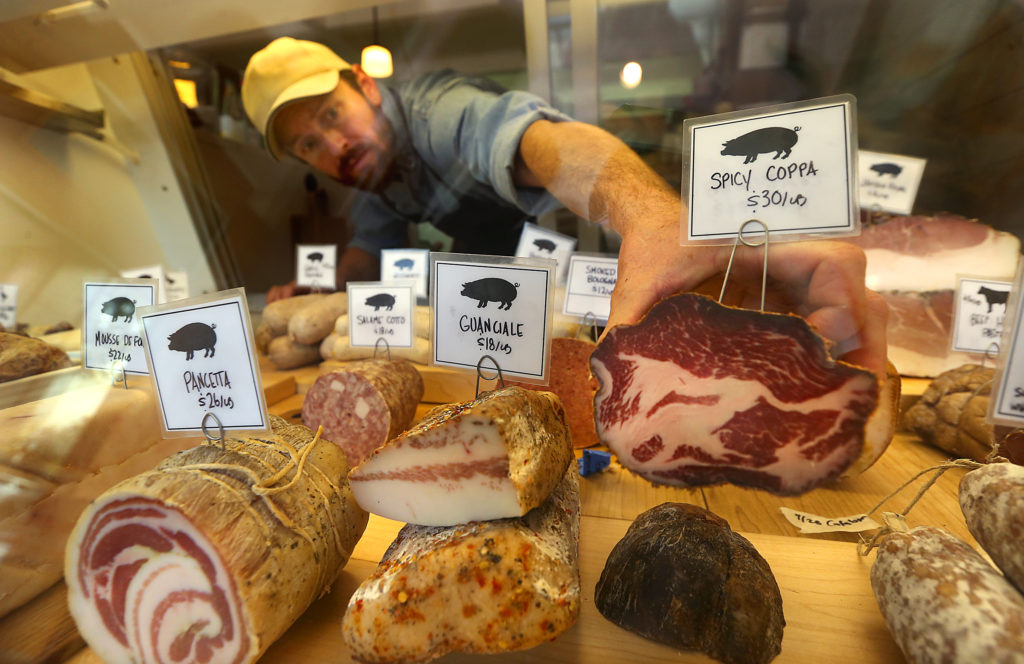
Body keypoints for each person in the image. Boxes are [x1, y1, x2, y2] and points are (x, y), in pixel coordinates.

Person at [241, 37, 887, 380]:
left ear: (364, 85)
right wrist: (320, 289)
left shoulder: (439, 112)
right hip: (510, 308)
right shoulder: (373, 168)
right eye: (308, 144)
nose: (333, 145)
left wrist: (654, 221)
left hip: (597, 273)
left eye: (331, 115)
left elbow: (540, 142)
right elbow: (371, 246)